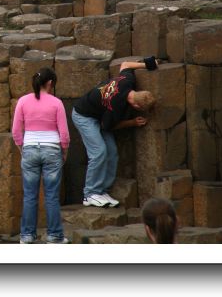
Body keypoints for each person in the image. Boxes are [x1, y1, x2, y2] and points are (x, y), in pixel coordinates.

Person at [71, 56, 158, 208]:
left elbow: (125, 64)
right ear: (136, 106)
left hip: (99, 116)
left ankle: (102, 190)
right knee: (99, 151)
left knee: (111, 152)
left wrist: (148, 64)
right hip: (83, 115)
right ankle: (90, 194)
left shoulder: (127, 81)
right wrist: (132, 122)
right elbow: (109, 127)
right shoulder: (116, 106)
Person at [11, 67, 71, 244]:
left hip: (29, 148)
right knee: (51, 195)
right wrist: (64, 150)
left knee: (30, 195)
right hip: (52, 149)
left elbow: (16, 131)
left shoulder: (23, 101)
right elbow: (64, 133)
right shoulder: (56, 103)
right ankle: (54, 236)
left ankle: (27, 235)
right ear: (50, 83)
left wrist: (22, 148)